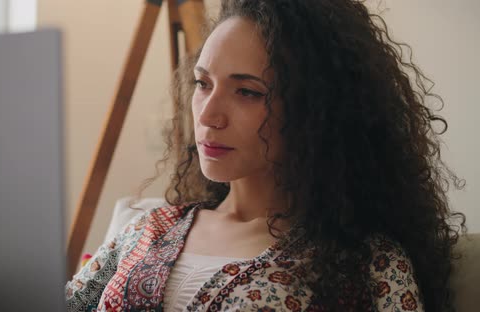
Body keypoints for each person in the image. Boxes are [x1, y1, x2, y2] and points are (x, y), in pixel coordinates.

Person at [66, 0, 466, 311]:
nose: (208, 115)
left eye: (247, 92)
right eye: (203, 84)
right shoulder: (149, 229)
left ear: (317, 111)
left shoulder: (369, 265)